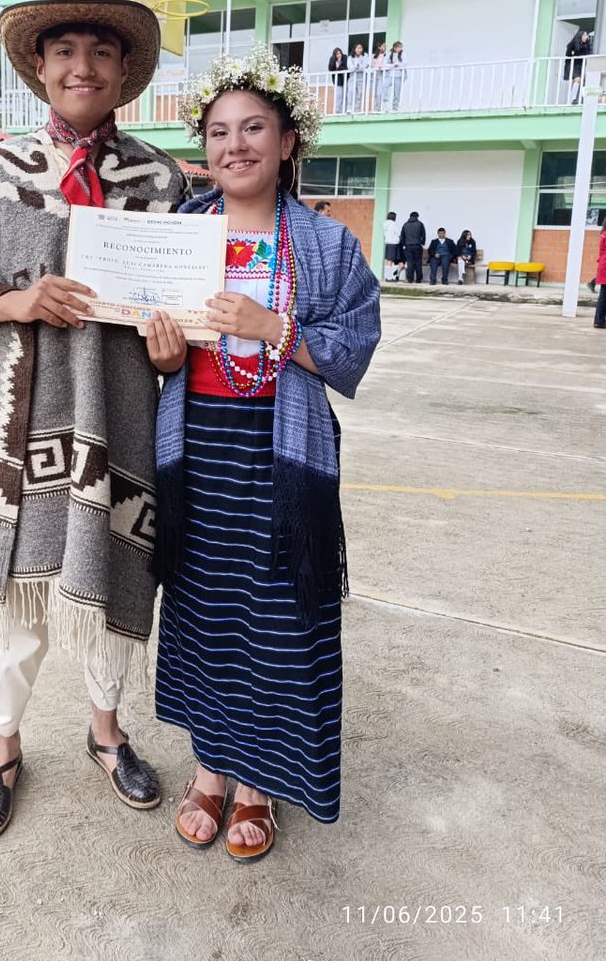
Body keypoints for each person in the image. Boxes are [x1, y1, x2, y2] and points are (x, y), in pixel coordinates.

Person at [0, 0, 188, 843]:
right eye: (64, 49)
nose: (82, 65)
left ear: (121, 69)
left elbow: (184, 301)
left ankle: (107, 733)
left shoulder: (162, 183)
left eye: (100, 50)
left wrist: (175, 345)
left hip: (121, 415)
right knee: (18, 606)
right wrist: (14, 300)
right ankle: (0, 750)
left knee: (112, 590)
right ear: (38, 65)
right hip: (16, 423)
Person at [154, 47, 380, 862]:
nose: (234, 145)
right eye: (218, 132)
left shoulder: (323, 245)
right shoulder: (178, 234)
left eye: (254, 127)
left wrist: (273, 329)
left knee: (282, 617)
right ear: (203, 148)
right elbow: (161, 355)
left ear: (288, 141)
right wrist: (165, 354)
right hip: (197, 451)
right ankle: (211, 768)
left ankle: (258, 787)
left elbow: (352, 347)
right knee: (206, 611)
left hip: (284, 458)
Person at [564, 29, 592, 105]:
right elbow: (568, 54)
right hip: (571, 64)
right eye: (585, 35)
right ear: (580, 36)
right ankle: (572, 98)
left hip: (579, 65)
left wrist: (587, 44)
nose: (586, 37)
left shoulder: (585, 45)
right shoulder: (573, 44)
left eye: (587, 35)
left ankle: (570, 100)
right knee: (577, 79)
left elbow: (588, 53)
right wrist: (574, 55)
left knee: (576, 81)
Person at [400, 210, 426, 283]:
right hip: (417, 245)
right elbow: (423, 235)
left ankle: (410, 279)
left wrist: (404, 245)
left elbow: (402, 236)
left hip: (408, 246)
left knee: (409, 262)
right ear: (417, 216)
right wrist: (422, 243)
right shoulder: (420, 224)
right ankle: (418, 279)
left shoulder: (405, 225)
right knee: (418, 262)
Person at [346, 42, 370, 112]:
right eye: (358, 48)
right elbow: (350, 68)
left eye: (361, 48)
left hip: (361, 77)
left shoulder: (365, 56)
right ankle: (349, 108)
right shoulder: (350, 57)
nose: (359, 50)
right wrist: (356, 67)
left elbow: (365, 65)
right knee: (350, 92)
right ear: (355, 49)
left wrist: (357, 67)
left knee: (360, 94)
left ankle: (357, 109)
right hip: (352, 77)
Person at [593, 220, 606, 329]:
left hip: (603, 264)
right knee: (604, 295)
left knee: (603, 295)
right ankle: (599, 320)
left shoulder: (603, 234)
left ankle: (599, 320)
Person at [383, 210, 403, 280]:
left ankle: (387, 276)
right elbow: (399, 233)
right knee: (391, 261)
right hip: (393, 244)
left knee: (387, 261)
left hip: (387, 244)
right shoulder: (393, 224)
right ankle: (389, 277)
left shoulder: (385, 224)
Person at [387, 41, 406, 110]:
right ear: (395, 48)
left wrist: (398, 65)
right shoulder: (389, 54)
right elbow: (385, 64)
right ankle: (385, 104)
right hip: (390, 75)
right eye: (399, 47)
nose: (400, 48)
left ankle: (395, 107)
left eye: (401, 47)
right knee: (384, 86)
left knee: (397, 92)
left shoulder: (403, 54)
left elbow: (405, 63)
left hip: (398, 75)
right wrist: (393, 65)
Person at [327, 47, 347, 113]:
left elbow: (346, 68)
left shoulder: (345, 58)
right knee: (338, 96)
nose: (339, 55)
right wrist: (337, 66)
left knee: (345, 96)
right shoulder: (332, 59)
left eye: (340, 53)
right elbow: (330, 69)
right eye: (337, 54)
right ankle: (337, 111)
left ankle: (344, 111)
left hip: (345, 80)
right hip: (337, 81)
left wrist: (339, 66)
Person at [371, 41, 387, 111]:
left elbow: (387, 64)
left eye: (385, 46)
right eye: (383, 46)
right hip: (374, 75)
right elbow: (371, 65)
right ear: (379, 47)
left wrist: (382, 67)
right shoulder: (373, 56)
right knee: (374, 93)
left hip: (382, 74)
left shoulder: (387, 55)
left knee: (379, 93)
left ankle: (379, 108)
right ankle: (375, 108)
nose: (385, 47)